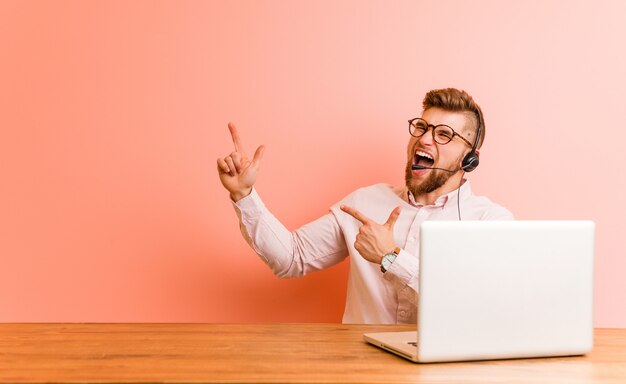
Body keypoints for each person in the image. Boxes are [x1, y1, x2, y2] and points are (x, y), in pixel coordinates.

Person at [216, 88, 513, 324]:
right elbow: (291, 257)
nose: (424, 139)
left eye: (444, 134)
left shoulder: (489, 222)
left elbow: (480, 305)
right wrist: (244, 195)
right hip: (360, 369)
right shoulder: (364, 203)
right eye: (422, 127)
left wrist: (391, 257)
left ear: (469, 159)